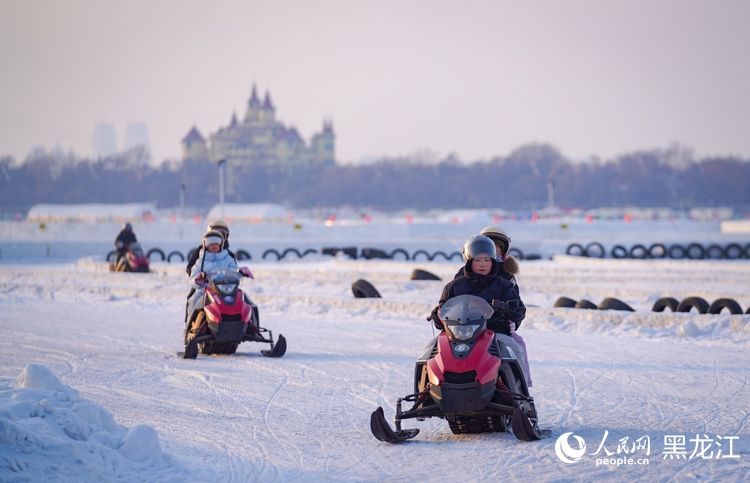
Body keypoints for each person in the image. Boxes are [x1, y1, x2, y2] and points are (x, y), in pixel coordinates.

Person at [432, 235, 532, 387]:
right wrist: (437, 315)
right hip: (458, 334)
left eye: (487, 260)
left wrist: (511, 308)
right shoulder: (454, 286)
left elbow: (519, 310)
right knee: (431, 350)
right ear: (469, 261)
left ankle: (520, 394)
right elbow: (443, 309)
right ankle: (426, 392)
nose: (482, 264)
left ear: (493, 261)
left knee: (513, 349)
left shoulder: (503, 285)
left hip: (494, 332)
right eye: (478, 260)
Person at [184, 229, 253, 331]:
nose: (214, 246)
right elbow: (192, 279)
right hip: (205, 290)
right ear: (205, 245)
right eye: (211, 244)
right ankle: (190, 328)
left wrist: (241, 271)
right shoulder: (200, 261)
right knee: (194, 300)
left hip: (227, 289)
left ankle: (251, 327)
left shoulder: (228, 258)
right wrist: (198, 279)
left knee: (246, 301)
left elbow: (235, 270)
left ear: (221, 244)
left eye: (216, 243)